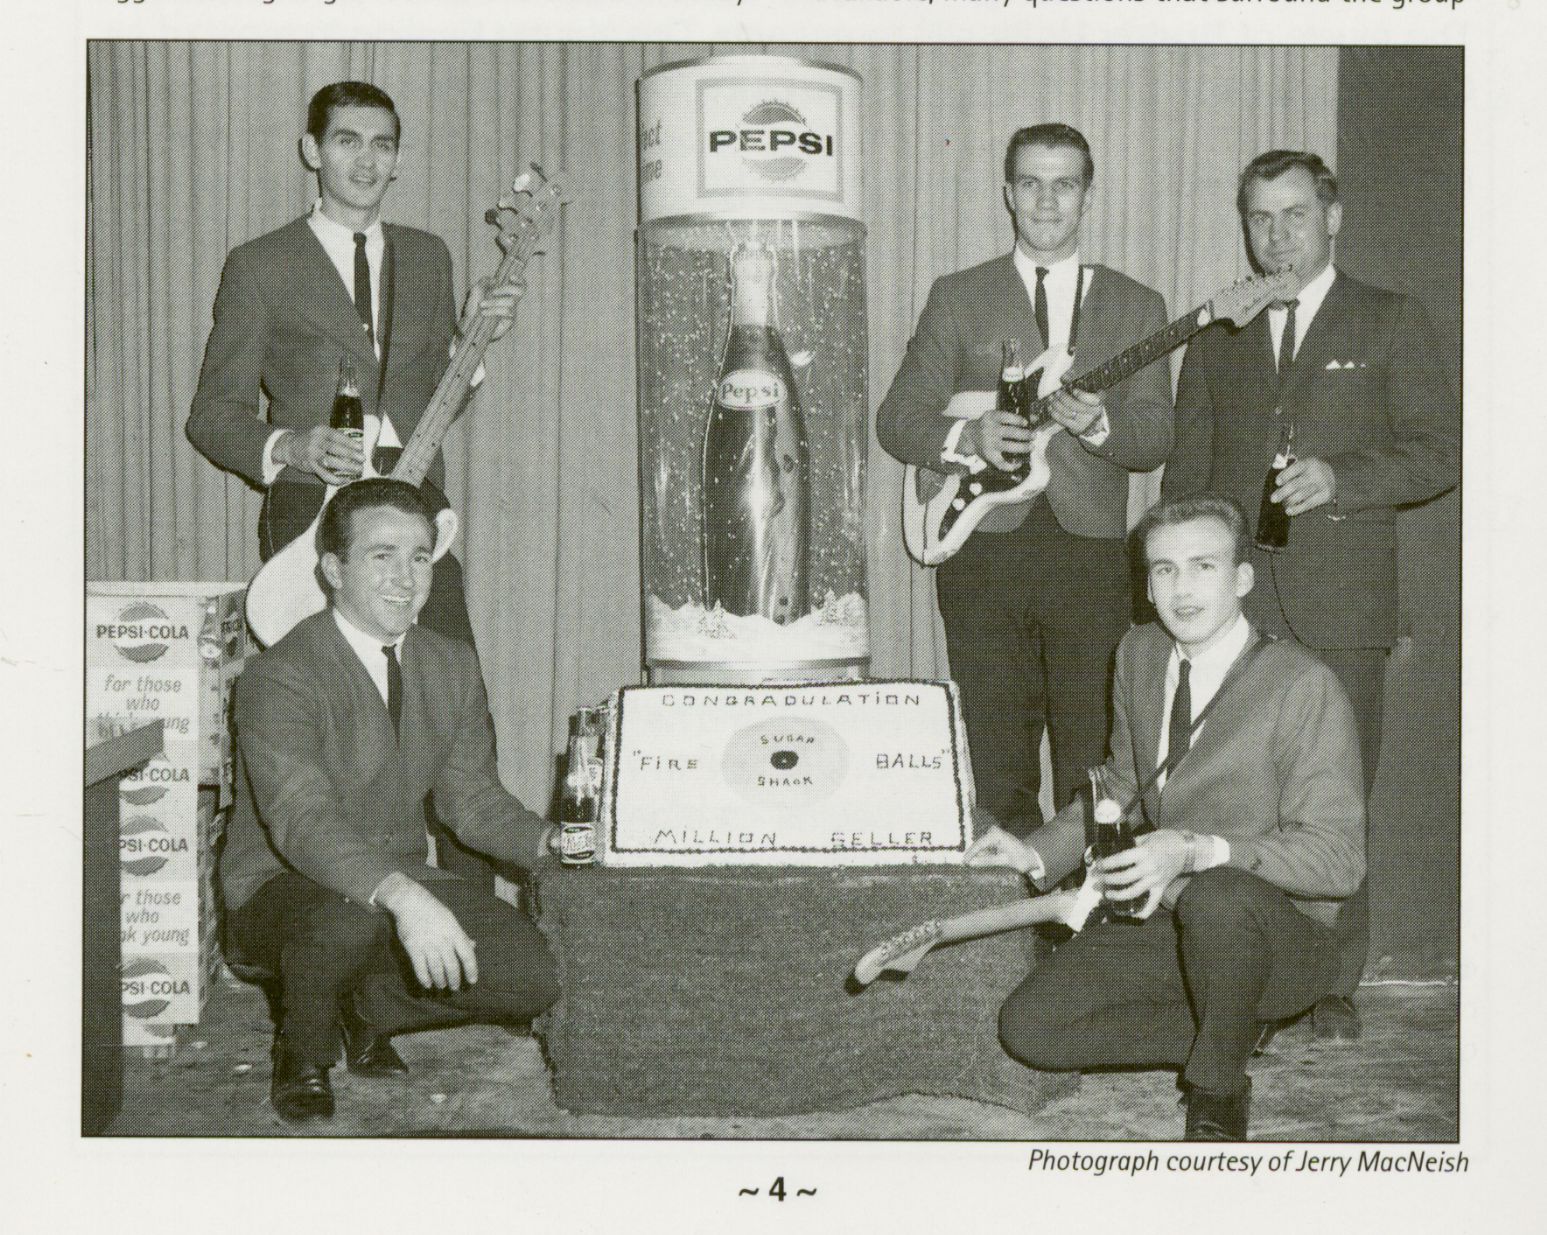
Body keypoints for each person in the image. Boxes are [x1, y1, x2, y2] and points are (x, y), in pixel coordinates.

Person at [1161, 151, 1459, 1039]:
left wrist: (1342, 478)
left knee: (1336, 800)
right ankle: (1247, 986)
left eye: (1294, 214)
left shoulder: (1389, 317)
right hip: (1236, 611)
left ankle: (1331, 983)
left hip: (1344, 607)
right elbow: (1186, 478)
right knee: (1235, 801)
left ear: (1332, 216)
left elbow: (1441, 450)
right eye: (1259, 218)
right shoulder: (1218, 332)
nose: (1276, 235)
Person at [967, 494, 1365, 1141]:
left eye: (1203, 566)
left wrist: (1197, 848)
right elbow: (1123, 785)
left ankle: (1217, 1087)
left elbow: (1338, 862)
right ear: (1147, 586)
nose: (1182, 589)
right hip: (1179, 919)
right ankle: (1232, 1024)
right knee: (1030, 1028)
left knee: (1218, 893)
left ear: (1242, 578)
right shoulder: (1139, 653)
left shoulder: (1302, 682)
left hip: (1282, 937)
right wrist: (1033, 853)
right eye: (1164, 569)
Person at [221, 478, 561, 1122]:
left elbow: (472, 802)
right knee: (345, 920)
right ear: (333, 570)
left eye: (419, 557)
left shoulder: (451, 664)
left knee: (533, 975)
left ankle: (363, 1006)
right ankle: (303, 1052)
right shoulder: (279, 673)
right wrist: (403, 896)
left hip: (395, 880)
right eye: (382, 556)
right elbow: (301, 819)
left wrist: (555, 843)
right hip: (280, 887)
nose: (406, 578)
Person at [877, 123, 1174, 836]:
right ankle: (1008, 895)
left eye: (1064, 184)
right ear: (1008, 194)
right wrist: (966, 435)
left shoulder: (1138, 305)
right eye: (1031, 184)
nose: (1046, 201)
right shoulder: (957, 295)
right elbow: (897, 419)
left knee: (1093, 754)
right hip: (983, 554)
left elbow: (1156, 438)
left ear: (1088, 196)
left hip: (1091, 556)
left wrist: (1100, 426)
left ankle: (1088, 893)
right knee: (996, 752)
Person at [187, 80, 521, 646]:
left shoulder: (428, 255)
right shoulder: (259, 264)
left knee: (447, 676)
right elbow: (212, 417)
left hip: (414, 506)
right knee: (332, 686)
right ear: (312, 151)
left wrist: (471, 342)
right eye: (347, 141)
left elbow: (433, 402)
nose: (367, 161)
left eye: (382, 145)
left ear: (398, 160)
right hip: (313, 515)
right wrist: (293, 447)